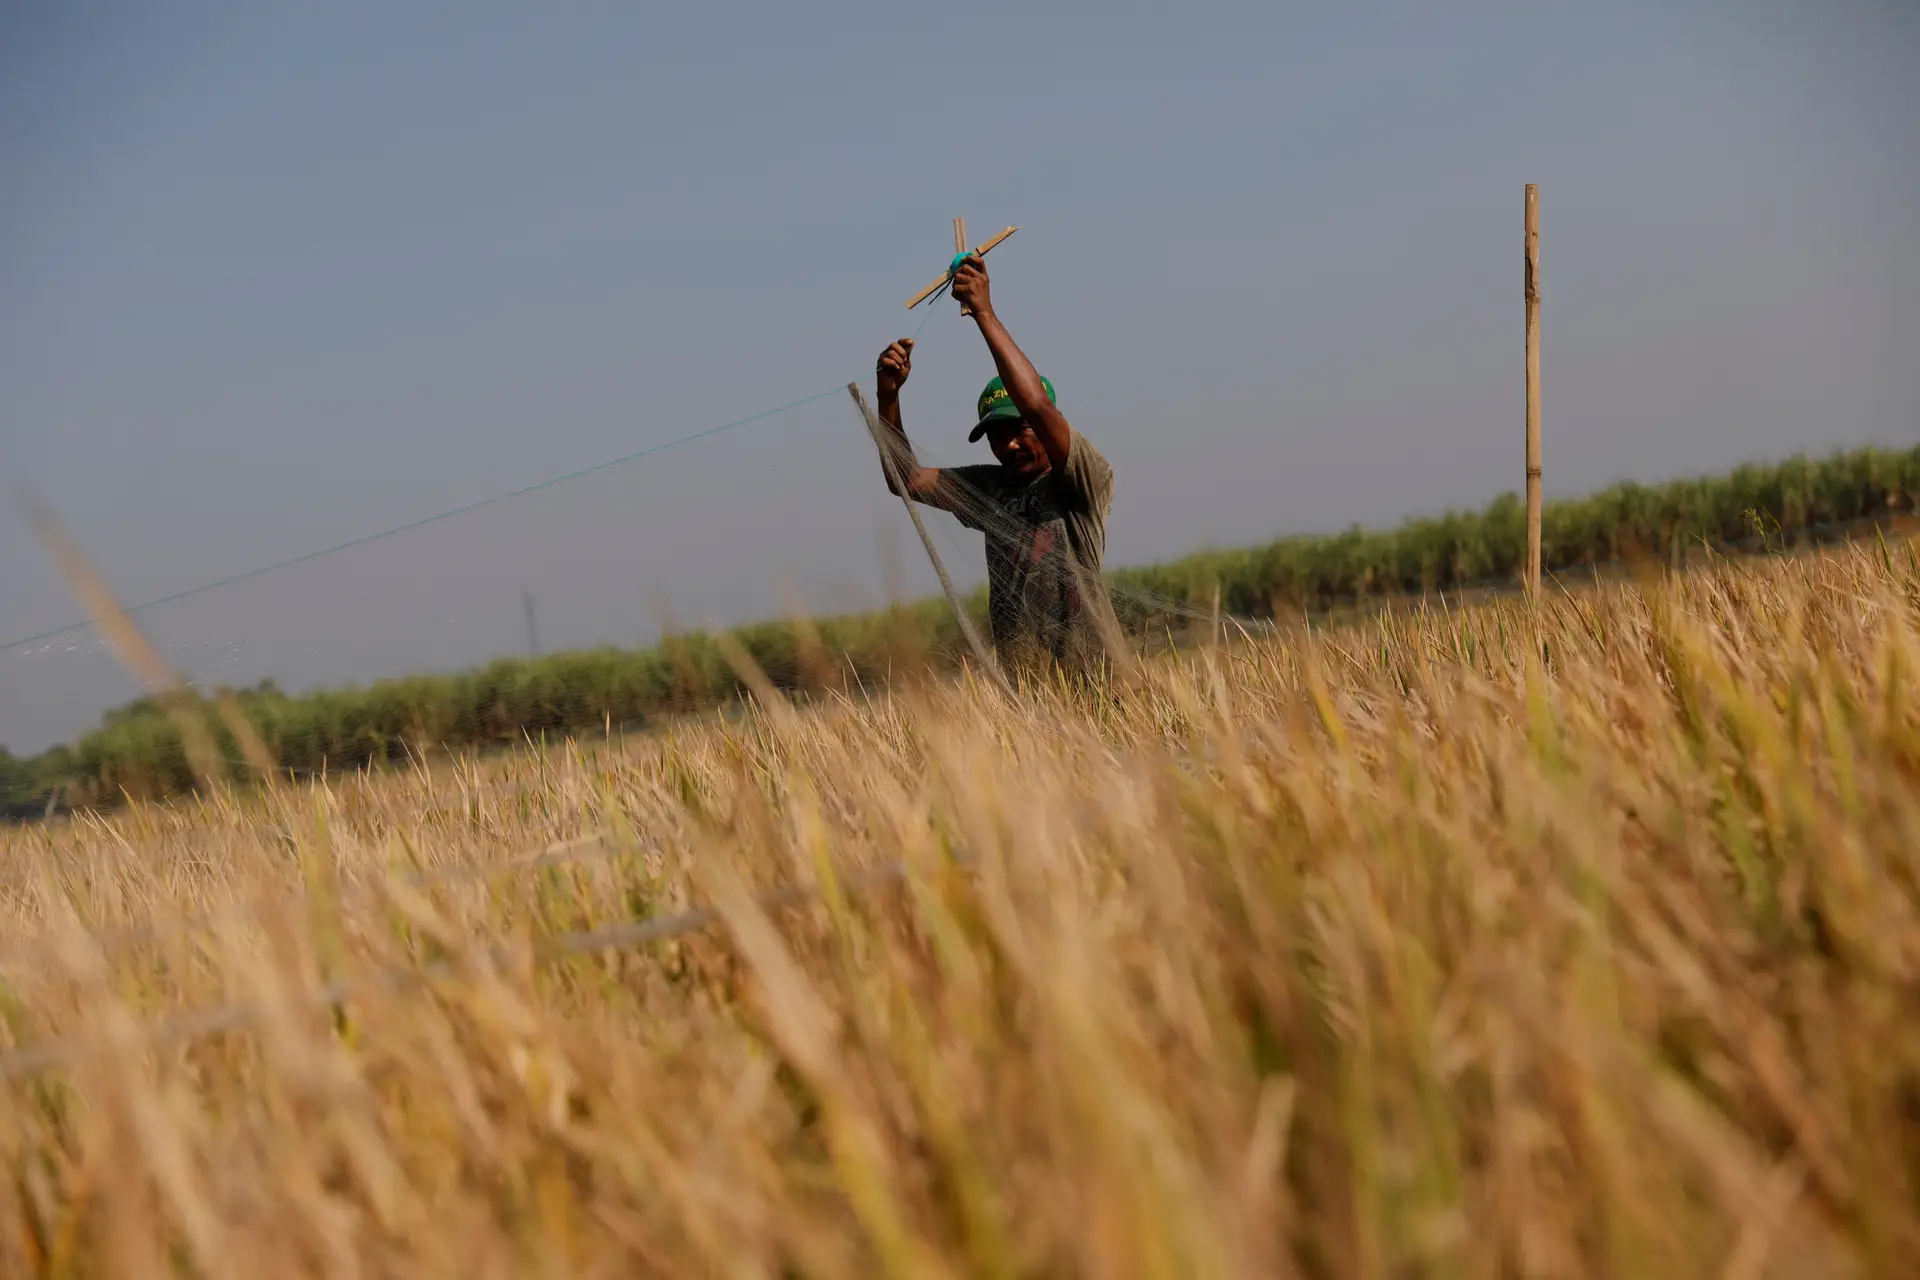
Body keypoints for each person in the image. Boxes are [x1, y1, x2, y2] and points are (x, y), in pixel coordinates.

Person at [872, 252, 1121, 676]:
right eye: (996, 435)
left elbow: (1037, 405)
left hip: (1099, 683)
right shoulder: (990, 489)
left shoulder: (1081, 478)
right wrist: (888, 397)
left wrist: (983, 313)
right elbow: (906, 480)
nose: (1009, 445)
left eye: (1020, 429)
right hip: (1027, 692)